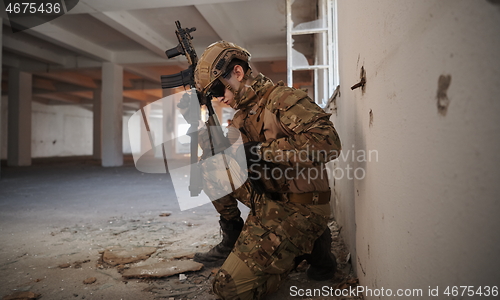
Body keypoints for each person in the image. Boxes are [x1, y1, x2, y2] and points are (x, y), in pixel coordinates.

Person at [193, 41, 342, 299]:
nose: (219, 98)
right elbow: (239, 163)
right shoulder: (241, 117)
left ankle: (310, 244)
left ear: (238, 73)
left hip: (301, 206)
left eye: (218, 89)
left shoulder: (284, 99)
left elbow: (328, 144)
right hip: (269, 198)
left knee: (229, 289)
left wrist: (258, 151)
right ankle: (234, 236)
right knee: (211, 166)